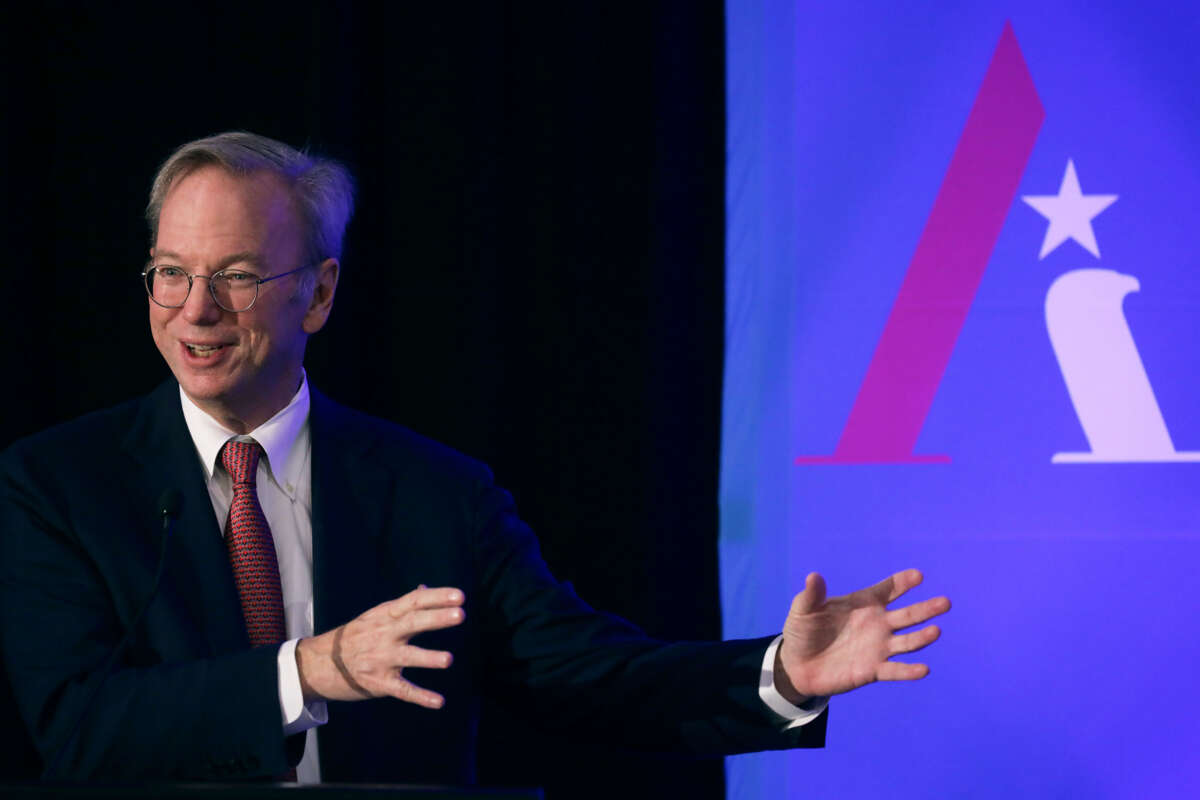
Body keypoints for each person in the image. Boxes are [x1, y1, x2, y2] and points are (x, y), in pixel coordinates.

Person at [0, 132, 950, 784]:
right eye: (172, 272)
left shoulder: (434, 494)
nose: (194, 309)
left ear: (319, 293)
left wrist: (779, 675)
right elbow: (77, 726)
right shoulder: (59, 486)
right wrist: (309, 668)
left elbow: (587, 675)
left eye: (238, 276)